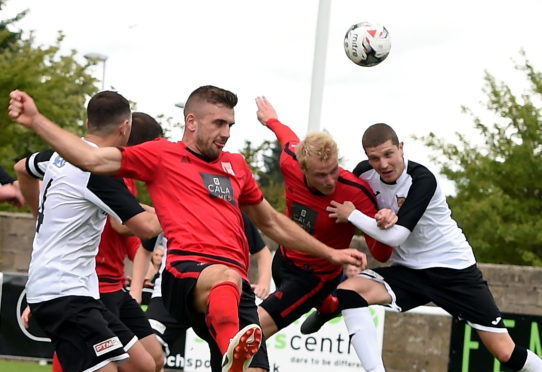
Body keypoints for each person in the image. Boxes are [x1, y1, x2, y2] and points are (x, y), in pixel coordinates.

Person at [8, 86, 366, 372]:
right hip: (187, 275)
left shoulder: (236, 166)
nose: (226, 133)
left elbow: (271, 222)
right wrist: (37, 119)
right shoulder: (162, 154)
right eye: (218, 124)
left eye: (230, 125)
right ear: (191, 121)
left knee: (151, 361)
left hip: (233, 289)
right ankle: (232, 352)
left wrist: (330, 252)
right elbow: (92, 158)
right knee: (223, 278)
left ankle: (233, 357)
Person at [326, 123, 542, 372]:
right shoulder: (363, 174)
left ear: (401, 148)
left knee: (506, 353)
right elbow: (351, 202)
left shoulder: (422, 179)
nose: (383, 164)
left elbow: (395, 236)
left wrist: (354, 215)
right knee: (349, 291)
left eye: (388, 154)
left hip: (453, 270)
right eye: (374, 158)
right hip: (409, 271)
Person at [14, 91, 162, 372]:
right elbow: (144, 227)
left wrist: (39, 215)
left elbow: (22, 169)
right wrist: (185, 207)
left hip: (80, 292)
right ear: (125, 127)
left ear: (88, 122)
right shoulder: (97, 171)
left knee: (144, 365)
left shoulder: (59, 156)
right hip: (63, 294)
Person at [254, 96, 394, 339]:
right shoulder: (290, 161)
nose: (330, 181)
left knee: (250, 330)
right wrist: (270, 119)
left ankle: (325, 301)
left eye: (334, 170)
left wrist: (360, 218)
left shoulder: (355, 192)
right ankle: (329, 306)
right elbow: (286, 136)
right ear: (303, 168)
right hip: (284, 260)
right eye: (321, 175)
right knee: (249, 333)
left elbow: (382, 253)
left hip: (314, 277)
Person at [146, 214, 272, 371]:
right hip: (177, 287)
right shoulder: (176, 203)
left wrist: (264, 283)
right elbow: (144, 242)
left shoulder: (235, 212)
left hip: (230, 291)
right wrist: (137, 290)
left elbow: (265, 247)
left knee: (252, 367)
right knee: (146, 356)